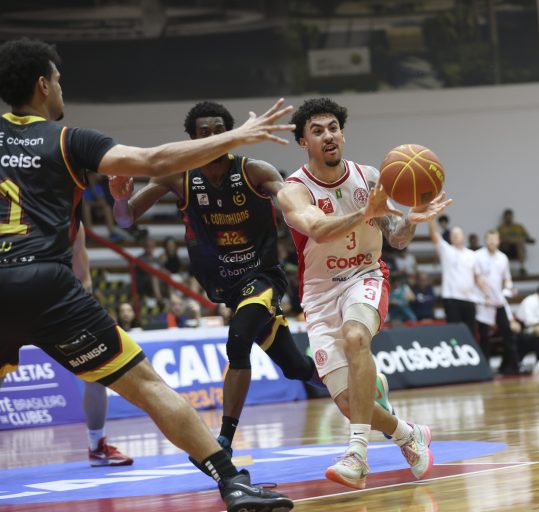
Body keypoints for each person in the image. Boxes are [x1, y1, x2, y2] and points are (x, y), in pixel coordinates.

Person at [0, 38, 295, 511]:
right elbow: (156, 161)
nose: (61, 89)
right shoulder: (69, 139)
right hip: (46, 285)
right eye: (58, 80)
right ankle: (232, 482)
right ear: (43, 85)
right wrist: (238, 135)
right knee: (148, 387)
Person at [111, 100, 383, 473]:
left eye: (219, 131)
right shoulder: (178, 176)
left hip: (263, 277)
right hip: (228, 287)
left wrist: (320, 215)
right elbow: (125, 219)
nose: (212, 137)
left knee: (238, 341)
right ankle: (367, 391)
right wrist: (120, 198)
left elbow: (294, 200)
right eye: (204, 133)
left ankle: (222, 440)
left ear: (231, 135)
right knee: (295, 368)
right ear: (192, 140)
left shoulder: (255, 171)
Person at [278, 97, 451, 490]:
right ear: (304, 142)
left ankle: (356, 455)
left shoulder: (371, 177)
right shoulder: (293, 191)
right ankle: (408, 434)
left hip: (366, 275)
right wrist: (365, 212)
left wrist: (410, 221)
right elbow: (317, 229)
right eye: (317, 131)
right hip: (320, 294)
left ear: (342, 134)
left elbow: (397, 239)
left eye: (333, 128)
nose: (328, 136)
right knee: (348, 402)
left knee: (356, 337)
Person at [72, 224, 134, 466]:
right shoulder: (66, 216)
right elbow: (83, 277)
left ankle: (97, 446)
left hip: (29, 298)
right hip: (50, 301)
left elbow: (83, 277)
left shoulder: (69, 218)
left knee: (97, 374)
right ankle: (96, 446)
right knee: (96, 373)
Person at [428, 220, 488, 337]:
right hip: (452, 298)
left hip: (469, 298)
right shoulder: (446, 250)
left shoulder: (472, 255)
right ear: (450, 237)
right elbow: (433, 234)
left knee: (470, 332)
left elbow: (478, 277)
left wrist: (486, 293)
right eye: (453, 234)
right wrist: (431, 218)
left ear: (463, 236)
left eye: (458, 234)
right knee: (454, 332)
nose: (455, 236)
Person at [474, 230, 521, 375]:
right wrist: (486, 294)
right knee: (484, 335)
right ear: (485, 240)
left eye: (495, 239)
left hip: (499, 300)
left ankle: (512, 366)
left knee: (507, 331)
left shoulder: (503, 258)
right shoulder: (478, 256)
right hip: (484, 301)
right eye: (489, 239)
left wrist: (509, 288)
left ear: (499, 241)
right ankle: (484, 368)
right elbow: (477, 277)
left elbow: (507, 278)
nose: (492, 242)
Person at [497, 209, 535, 275]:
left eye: (510, 217)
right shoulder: (501, 228)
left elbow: (527, 237)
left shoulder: (519, 227)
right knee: (509, 240)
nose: (509, 219)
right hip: (506, 248)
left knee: (519, 243)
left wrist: (521, 239)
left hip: (516, 248)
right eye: (507, 217)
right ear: (504, 218)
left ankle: (522, 267)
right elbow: (498, 239)